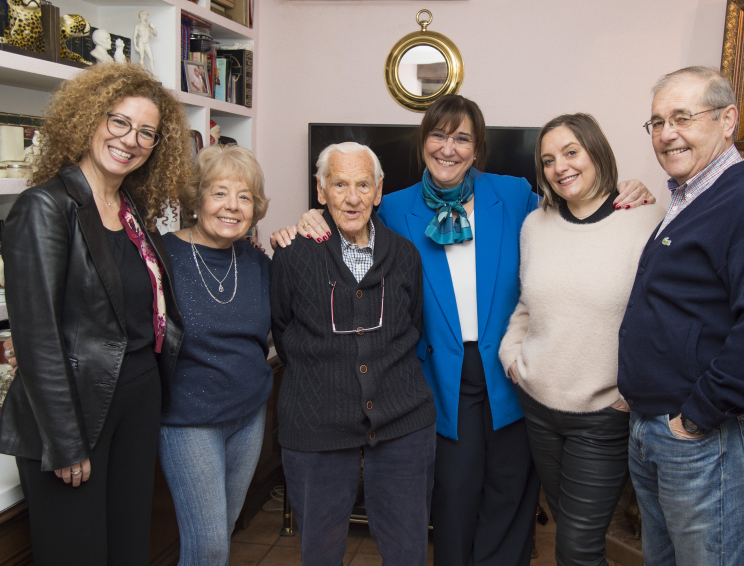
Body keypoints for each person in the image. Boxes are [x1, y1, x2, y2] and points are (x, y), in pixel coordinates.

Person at [271, 94, 655, 566]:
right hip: (437, 378)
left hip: (511, 372)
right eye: (438, 135)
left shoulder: (514, 194)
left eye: (462, 138)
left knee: (511, 494)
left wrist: (626, 190)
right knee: (452, 499)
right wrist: (310, 218)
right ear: (423, 143)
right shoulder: (391, 206)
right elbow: (347, 225)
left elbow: (577, 213)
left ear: (478, 148)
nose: (448, 148)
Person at [0, 62, 189, 565]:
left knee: (128, 550)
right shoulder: (45, 207)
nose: (131, 139)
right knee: (76, 555)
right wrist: (64, 440)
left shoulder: (129, 207)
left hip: (137, 400)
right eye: (119, 121)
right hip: (76, 409)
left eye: (147, 132)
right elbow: (36, 339)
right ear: (87, 119)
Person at [618, 66, 744, 565]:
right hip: (658, 423)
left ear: (728, 121)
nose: (666, 133)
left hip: (704, 431)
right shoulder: (688, 197)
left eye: (682, 117)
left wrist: (695, 419)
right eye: (657, 122)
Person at [498, 113, 663, 566]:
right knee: (573, 531)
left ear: (596, 152)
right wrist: (511, 355)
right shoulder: (537, 225)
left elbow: (661, 318)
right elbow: (527, 304)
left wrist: (631, 393)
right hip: (539, 406)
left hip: (602, 415)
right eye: (548, 159)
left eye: (571, 152)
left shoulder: (645, 219)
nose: (560, 167)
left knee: (576, 547)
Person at [270, 142, 437, 565]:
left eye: (363, 184)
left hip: (403, 421)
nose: (352, 197)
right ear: (321, 190)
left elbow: (412, 326)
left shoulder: (404, 255)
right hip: (316, 422)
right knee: (320, 551)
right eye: (340, 184)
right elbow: (284, 329)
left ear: (379, 191)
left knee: (407, 549)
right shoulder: (292, 254)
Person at [158, 144, 272, 566]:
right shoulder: (162, 257)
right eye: (220, 192)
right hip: (188, 421)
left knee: (221, 532)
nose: (232, 206)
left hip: (249, 413)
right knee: (208, 545)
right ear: (197, 198)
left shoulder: (258, 263)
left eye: (244, 197)